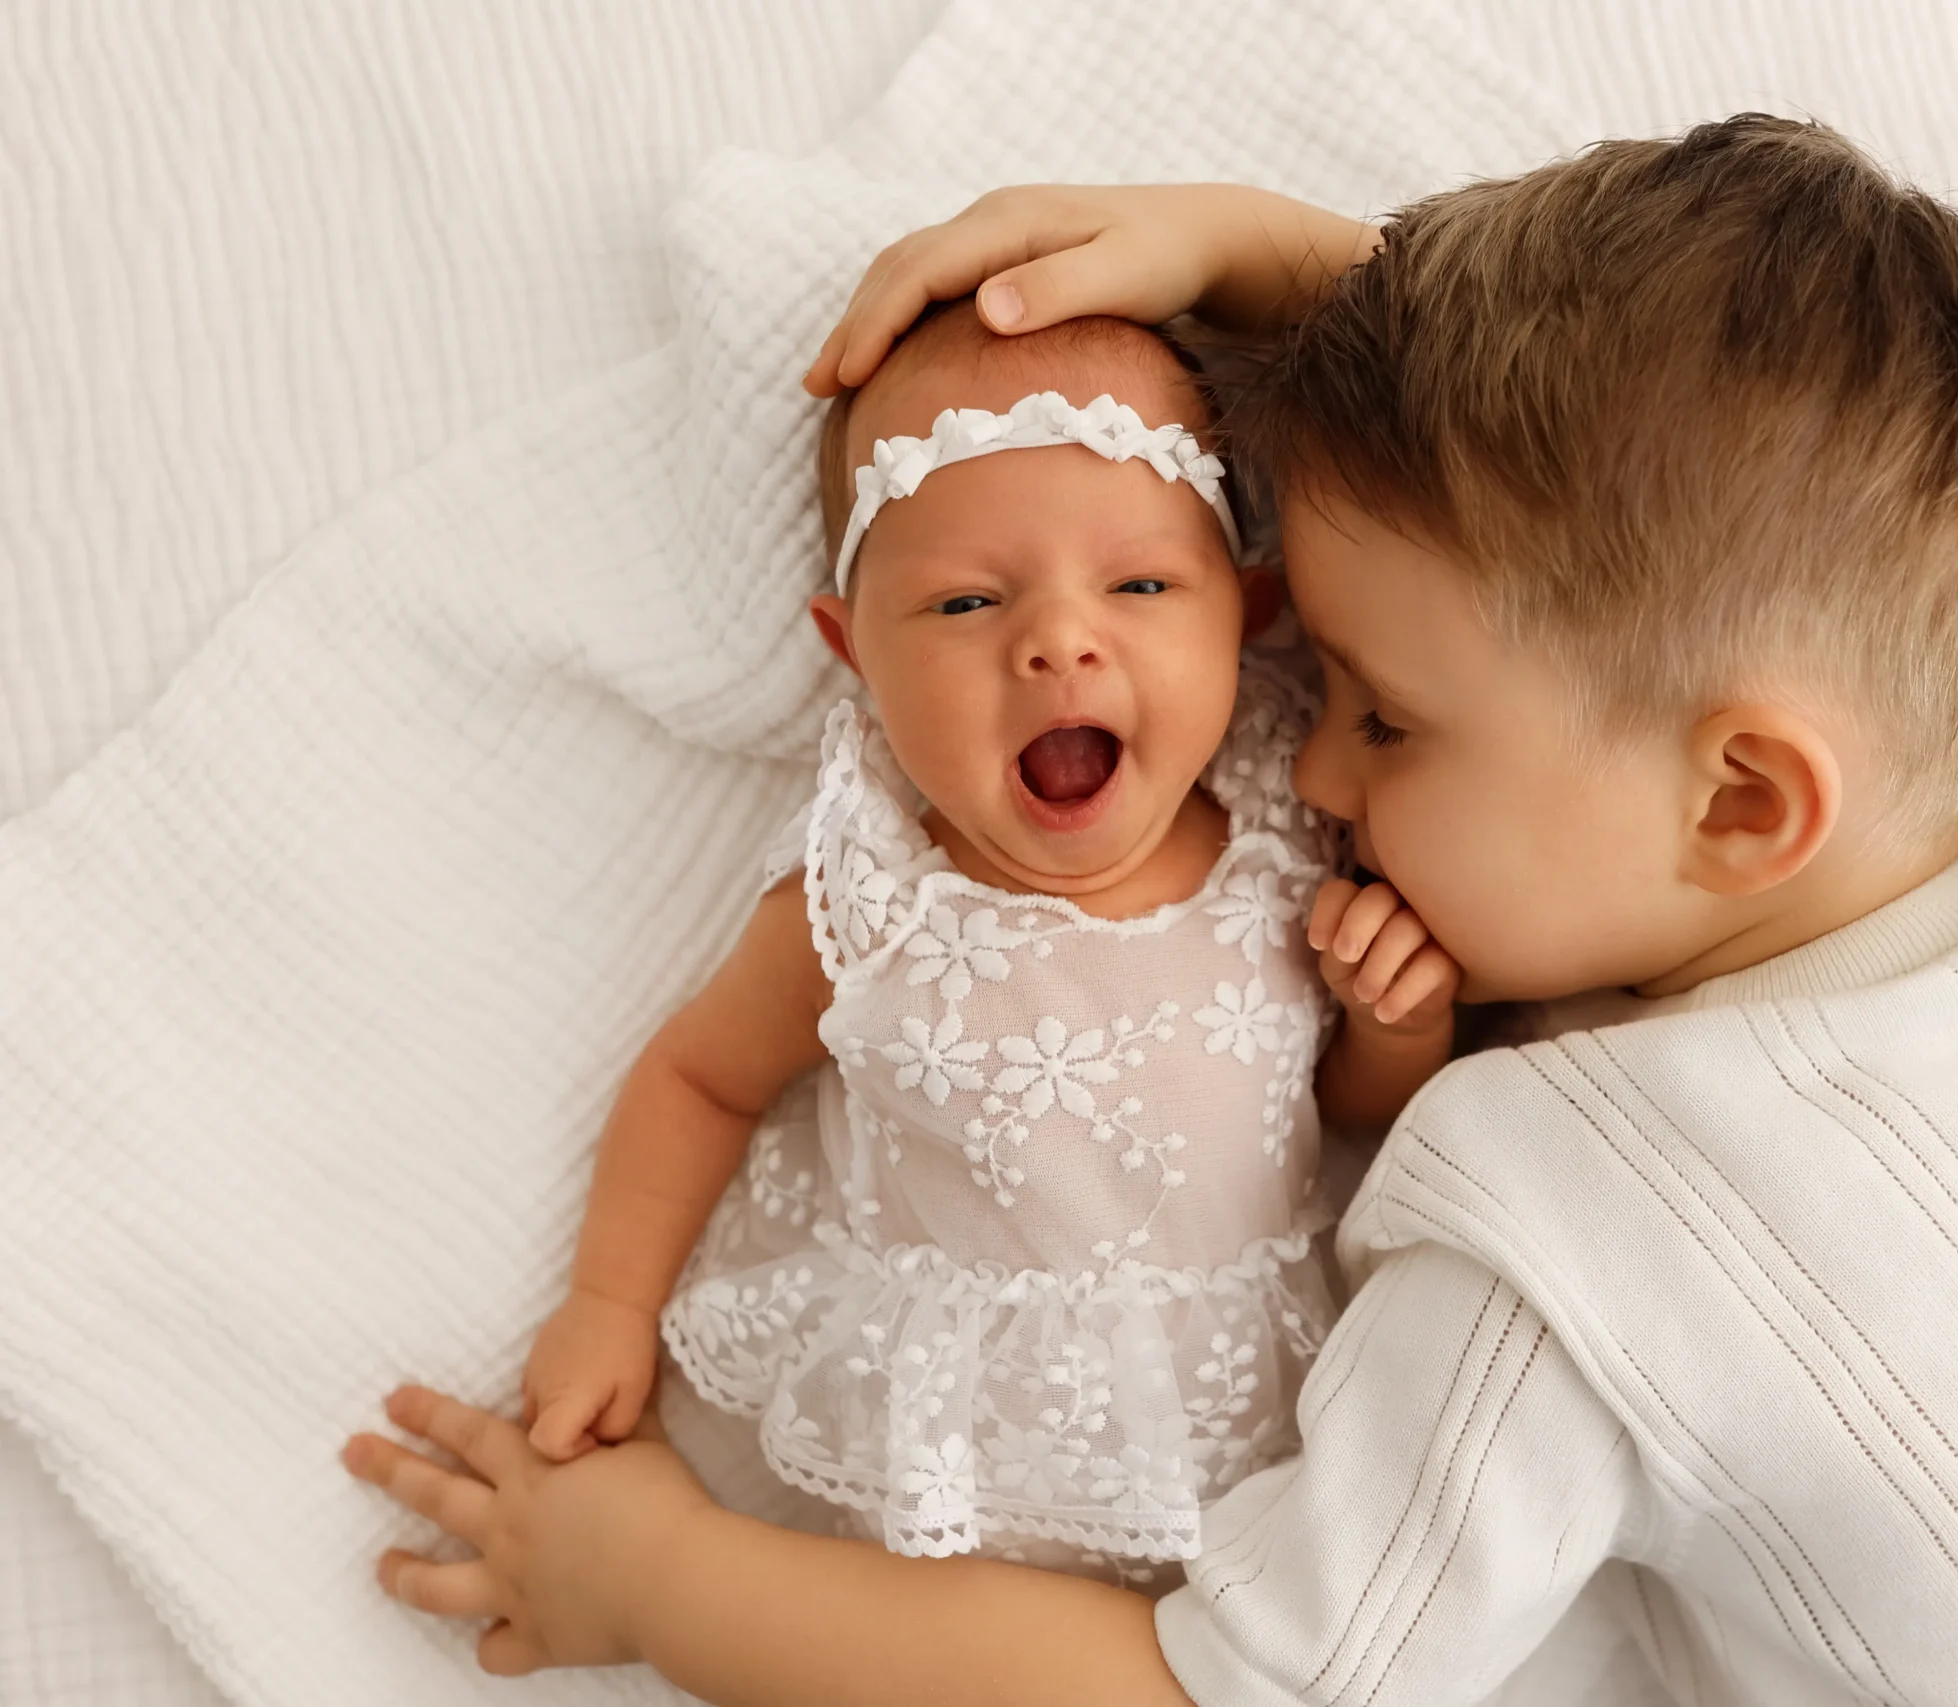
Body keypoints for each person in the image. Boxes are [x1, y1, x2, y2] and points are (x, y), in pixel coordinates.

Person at [343, 120, 1958, 1704]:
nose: (1309, 771)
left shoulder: (1566, 1249)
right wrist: (1288, 272)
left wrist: (665, 1582)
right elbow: (1824, 502)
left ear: (1743, 797)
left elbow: (1223, 1678)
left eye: (1385, 716)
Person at [509, 300, 1459, 1584]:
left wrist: (1400, 1027)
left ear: (1245, 615)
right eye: (964, 601)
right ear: (855, 651)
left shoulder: (1288, 840)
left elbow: (1335, 1111)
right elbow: (700, 1077)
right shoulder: (875, 902)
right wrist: (608, 1304)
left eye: (1140, 585)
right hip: (966, 1488)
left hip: (1264, 1435)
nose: (1059, 641)